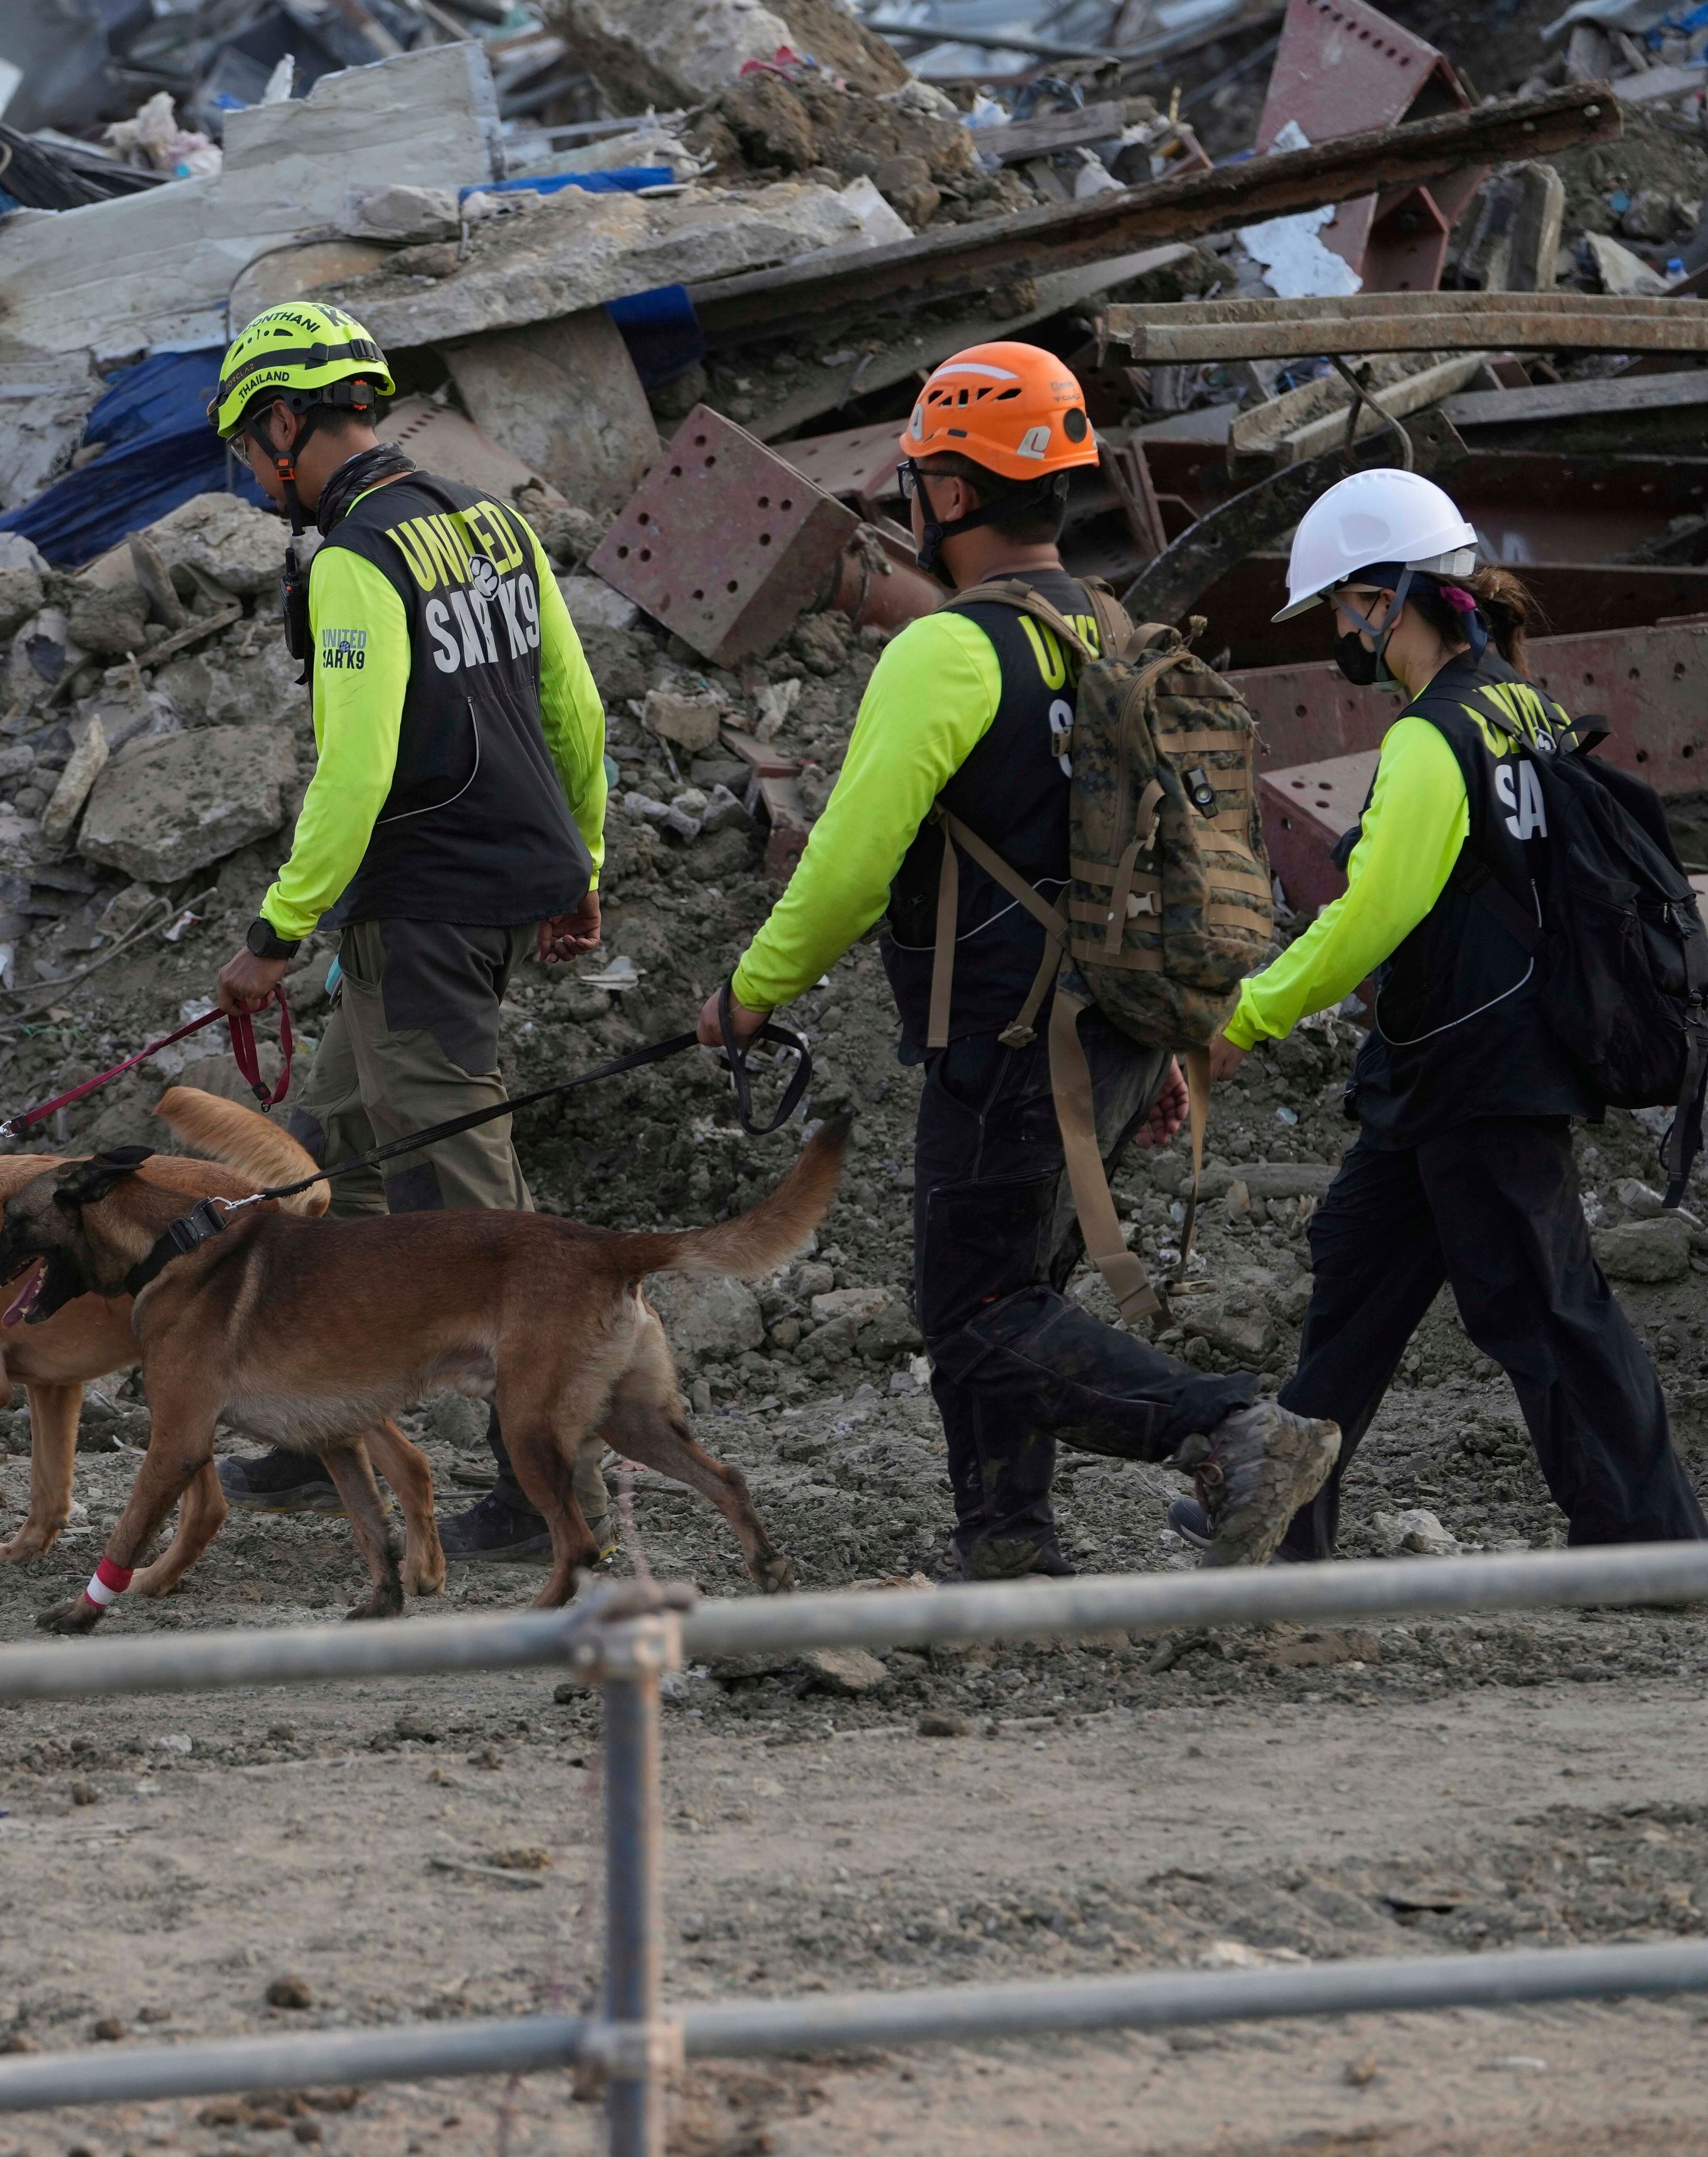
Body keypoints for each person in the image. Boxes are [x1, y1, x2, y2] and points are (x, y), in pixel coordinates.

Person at [697, 344, 1338, 1577]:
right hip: (1114, 1028)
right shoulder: (1114, 630)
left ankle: (1229, 1429)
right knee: (1014, 1289)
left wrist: (749, 993)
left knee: (980, 1315)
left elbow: (848, 869)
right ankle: (1005, 1542)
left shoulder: (947, 651)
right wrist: (1169, 1035)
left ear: (949, 492)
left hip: (1004, 1037)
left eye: (919, 481)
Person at [1202, 468, 1707, 1560]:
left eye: (1342, 607)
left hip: (1481, 1068)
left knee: (1543, 1305)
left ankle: (1647, 1540)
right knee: (1357, 1282)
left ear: (1387, 597)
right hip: (1445, 1066)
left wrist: (1250, 1014)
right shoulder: (1518, 704)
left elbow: (1371, 913)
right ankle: (1284, 1522)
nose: (1340, 632)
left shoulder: (1433, 737)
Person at [197, 302, 612, 1564]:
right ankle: (313, 1417)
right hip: (487, 888)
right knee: (324, 1149)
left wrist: (276, 932)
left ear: (285, 423)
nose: (251, 472)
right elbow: (574, 707)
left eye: (248, 444)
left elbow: (357, 770)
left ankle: (548, 1484)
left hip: (423, 909)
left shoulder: (353, 559)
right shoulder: (490, 521)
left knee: (468, 1201)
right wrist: (581, 864)